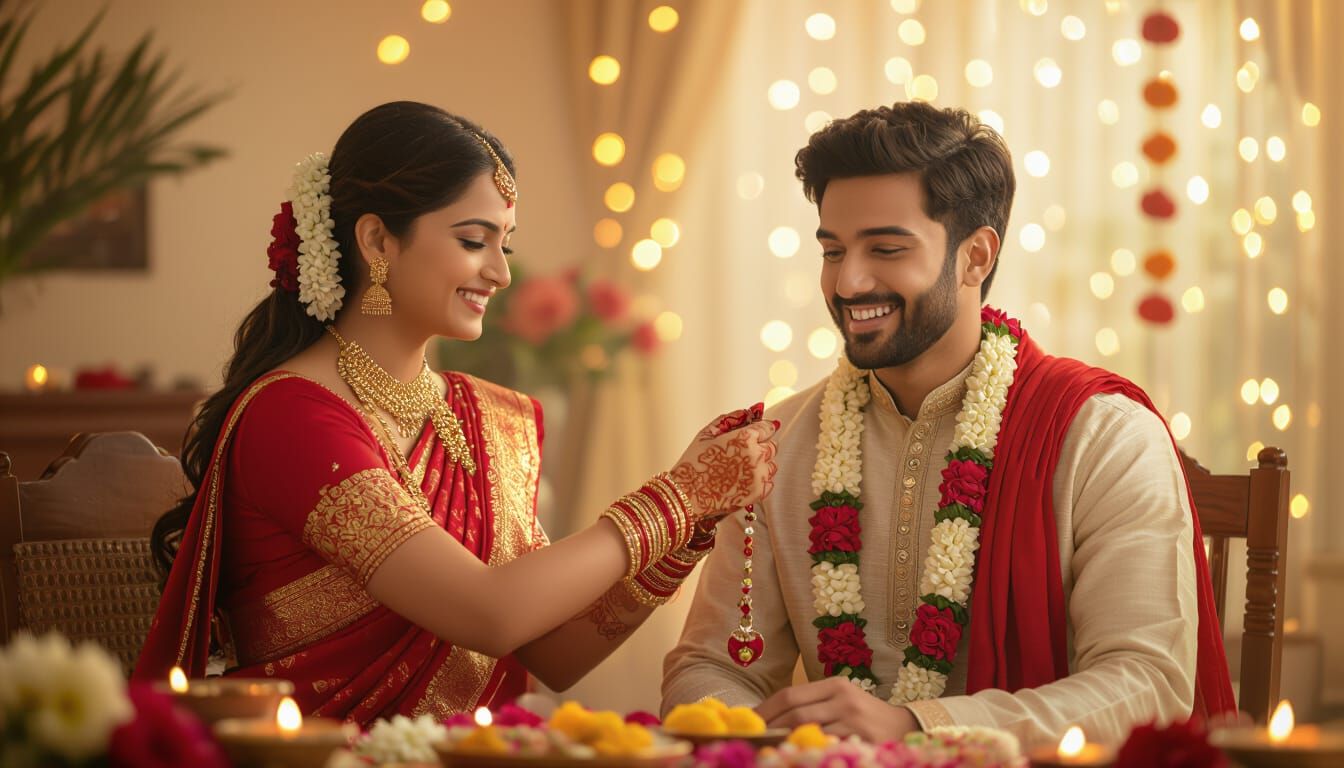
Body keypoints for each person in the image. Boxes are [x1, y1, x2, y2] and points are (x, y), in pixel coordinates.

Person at [134, 101, 778, 726]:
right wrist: (679, 496)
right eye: (474, 240)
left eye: (506, 245)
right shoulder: (291, 417)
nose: (499, 273)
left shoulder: (483, 415)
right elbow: (488, 614)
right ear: (377, 239)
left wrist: (689, 531)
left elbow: (553, 652)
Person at [662, 101, 1235, 747]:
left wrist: (913, 728)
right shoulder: (773, 448)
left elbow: (1147, 683)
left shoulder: (1103, 437)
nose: (848, 281)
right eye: (833, 250)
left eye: (885, 248)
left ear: (976, 257)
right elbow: (711, 665)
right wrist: (756, 734)